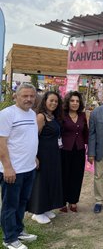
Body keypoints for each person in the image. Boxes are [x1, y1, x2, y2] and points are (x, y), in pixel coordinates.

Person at [0, 83, 39, 249]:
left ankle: (18, 230)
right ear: (16, 96)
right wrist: (7, 167)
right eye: (25, 96)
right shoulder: (7, 114)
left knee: (22, 202)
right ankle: (9, 239)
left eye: (31, 96)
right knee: (10, 205)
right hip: (13, 170)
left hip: (29, 168)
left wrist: (34, 157)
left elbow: (27, 138)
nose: (29, 99)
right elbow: (1, 143)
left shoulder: (32, 114)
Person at [27, 91, 64, 224]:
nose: (54, 103)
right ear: (45, 101)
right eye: (51, 100)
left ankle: (46, 207)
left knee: (50, 180)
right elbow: (33, 137)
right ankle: (37, 211)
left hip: (54, 154)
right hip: (42, 154)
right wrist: (35, 156)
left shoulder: (53, 116)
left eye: (56, 101)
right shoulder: (41, 117)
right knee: (40, 182)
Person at [60, 91, 89, 213]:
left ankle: (73, 201)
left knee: (77, 176)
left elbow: (85, 132)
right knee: (64, 176)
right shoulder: (62, 115)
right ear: (68, 102)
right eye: (72, 101)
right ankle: (62, 202)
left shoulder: (82, 115)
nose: (75, 103)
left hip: (79, 150)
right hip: (64, 150)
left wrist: (89, 148)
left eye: (77, 101)